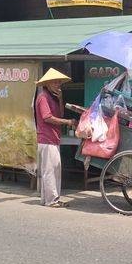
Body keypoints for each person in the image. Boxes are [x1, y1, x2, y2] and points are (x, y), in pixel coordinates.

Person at [35, 68, 76, 208]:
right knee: (49, 170)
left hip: (53, 138)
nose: (58, 84)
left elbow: (60, 113)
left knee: (55, 168)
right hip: (46, 138)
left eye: (59, 82)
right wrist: (67, 122)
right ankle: (51, 200)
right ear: (47, 84)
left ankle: (51, 199)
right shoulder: (43, 97)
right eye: (55, 82)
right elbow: (47, 117)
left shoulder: (51, 97)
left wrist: (60, 98)